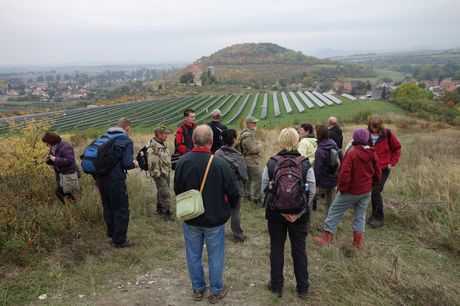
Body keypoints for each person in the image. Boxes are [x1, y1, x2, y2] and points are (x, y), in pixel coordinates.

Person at [174, 125, 239, 304]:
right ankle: (216, 291)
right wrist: (229, 208)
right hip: (215, 218)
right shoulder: (219, 163)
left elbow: (177, 189)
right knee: (215, 255)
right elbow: (233, 192)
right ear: (211, 141)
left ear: (193, 140)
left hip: (191, 217)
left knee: (193, 254)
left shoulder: (182, 162)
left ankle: (197, 289)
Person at [262, 128, 316, 300]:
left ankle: (276, 286)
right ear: (296, 141)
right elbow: (312, 190)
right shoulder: (305, 163)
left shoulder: (271, 162)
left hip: (275, 215)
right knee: (299, 250)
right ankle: (302, 289)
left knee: (277, 248)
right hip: (299, 216)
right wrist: (299, 212)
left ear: (280, 141)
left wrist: (279, 209)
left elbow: (264, 190)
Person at [314, 128, 381, 248]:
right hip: (366, 191)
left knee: (334, 211)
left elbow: (344, 174)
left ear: (355, 138)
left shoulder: (352, 153)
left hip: (351, 190)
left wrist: (342, 189)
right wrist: (372, 184)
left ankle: (327, 238)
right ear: (367, 139)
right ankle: (357, 243)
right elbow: (378, 173)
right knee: (360, 216)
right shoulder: (372, 152)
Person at [97, 117, 138, 248]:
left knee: (108, 207)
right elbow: (126, 163)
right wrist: (135, 164)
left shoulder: (104, 138)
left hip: (101, 179)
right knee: (120, 208)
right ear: (127, 128)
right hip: (116, 180)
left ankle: (112, 234)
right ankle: (119, 240)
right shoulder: (126, 141)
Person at [367, 115, 402, 228]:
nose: (374, 128)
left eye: (376, 126)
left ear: (380, 125)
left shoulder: (387, 134)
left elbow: (397, 148)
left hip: (383, 168)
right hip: (370, 168)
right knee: (373, 192)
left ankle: (379, 218)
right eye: (372, 126)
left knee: (376, 191)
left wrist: (392, 162)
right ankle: (374, 215)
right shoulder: (366, 134)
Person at [215, 129, 248, 243]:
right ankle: (238, 236)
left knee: (220, 211)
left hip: (220, 188)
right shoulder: (239, 157)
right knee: (235, 212)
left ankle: (219, 235)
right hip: (235, 189)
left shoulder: (217, 154)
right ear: (234, 139)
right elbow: (244, 175)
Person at [42, 132, 79, 204]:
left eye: (47, 143)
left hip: (68, 174)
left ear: (51, 141)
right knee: (63, 192)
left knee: (60, 191)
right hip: (60, 174)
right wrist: (48, 160)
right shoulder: (54, 147)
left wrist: (55, 159)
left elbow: (69, 160)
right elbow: (53, 159)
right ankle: (72, 206)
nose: (46, 145)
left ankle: (73, 206)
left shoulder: (66, 147)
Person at [147, 125, 173, 221]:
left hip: (165, 171)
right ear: (158, 134)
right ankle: (167, 212)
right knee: (165, 193)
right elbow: (152, 162)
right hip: (159, 173)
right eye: (165, 134)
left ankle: (159, 209)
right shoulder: (153, 146)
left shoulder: (162, 144)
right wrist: (157, 174)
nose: (167, 135)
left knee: (162, 191)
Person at [314, 125, 339, 213]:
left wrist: (315, 184)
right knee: (331, 203)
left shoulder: (320, 150)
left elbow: (318, 169)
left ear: (318, 134)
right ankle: (329, 226)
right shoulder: (334, 144)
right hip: (333, 178)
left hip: (323, 182)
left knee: (308, 199)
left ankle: (305, 225)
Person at [238, 116, 262, 206]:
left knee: (248, 179)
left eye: (255, 123)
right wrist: (259, 146)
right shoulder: (247, 136)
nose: (255, 124)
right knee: (258, 179)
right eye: (253, 123)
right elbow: (254, 150)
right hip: (250, 161)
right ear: (248, 124)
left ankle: (247, 197)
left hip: (247, 160)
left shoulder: (247, 133)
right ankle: (257, 199)